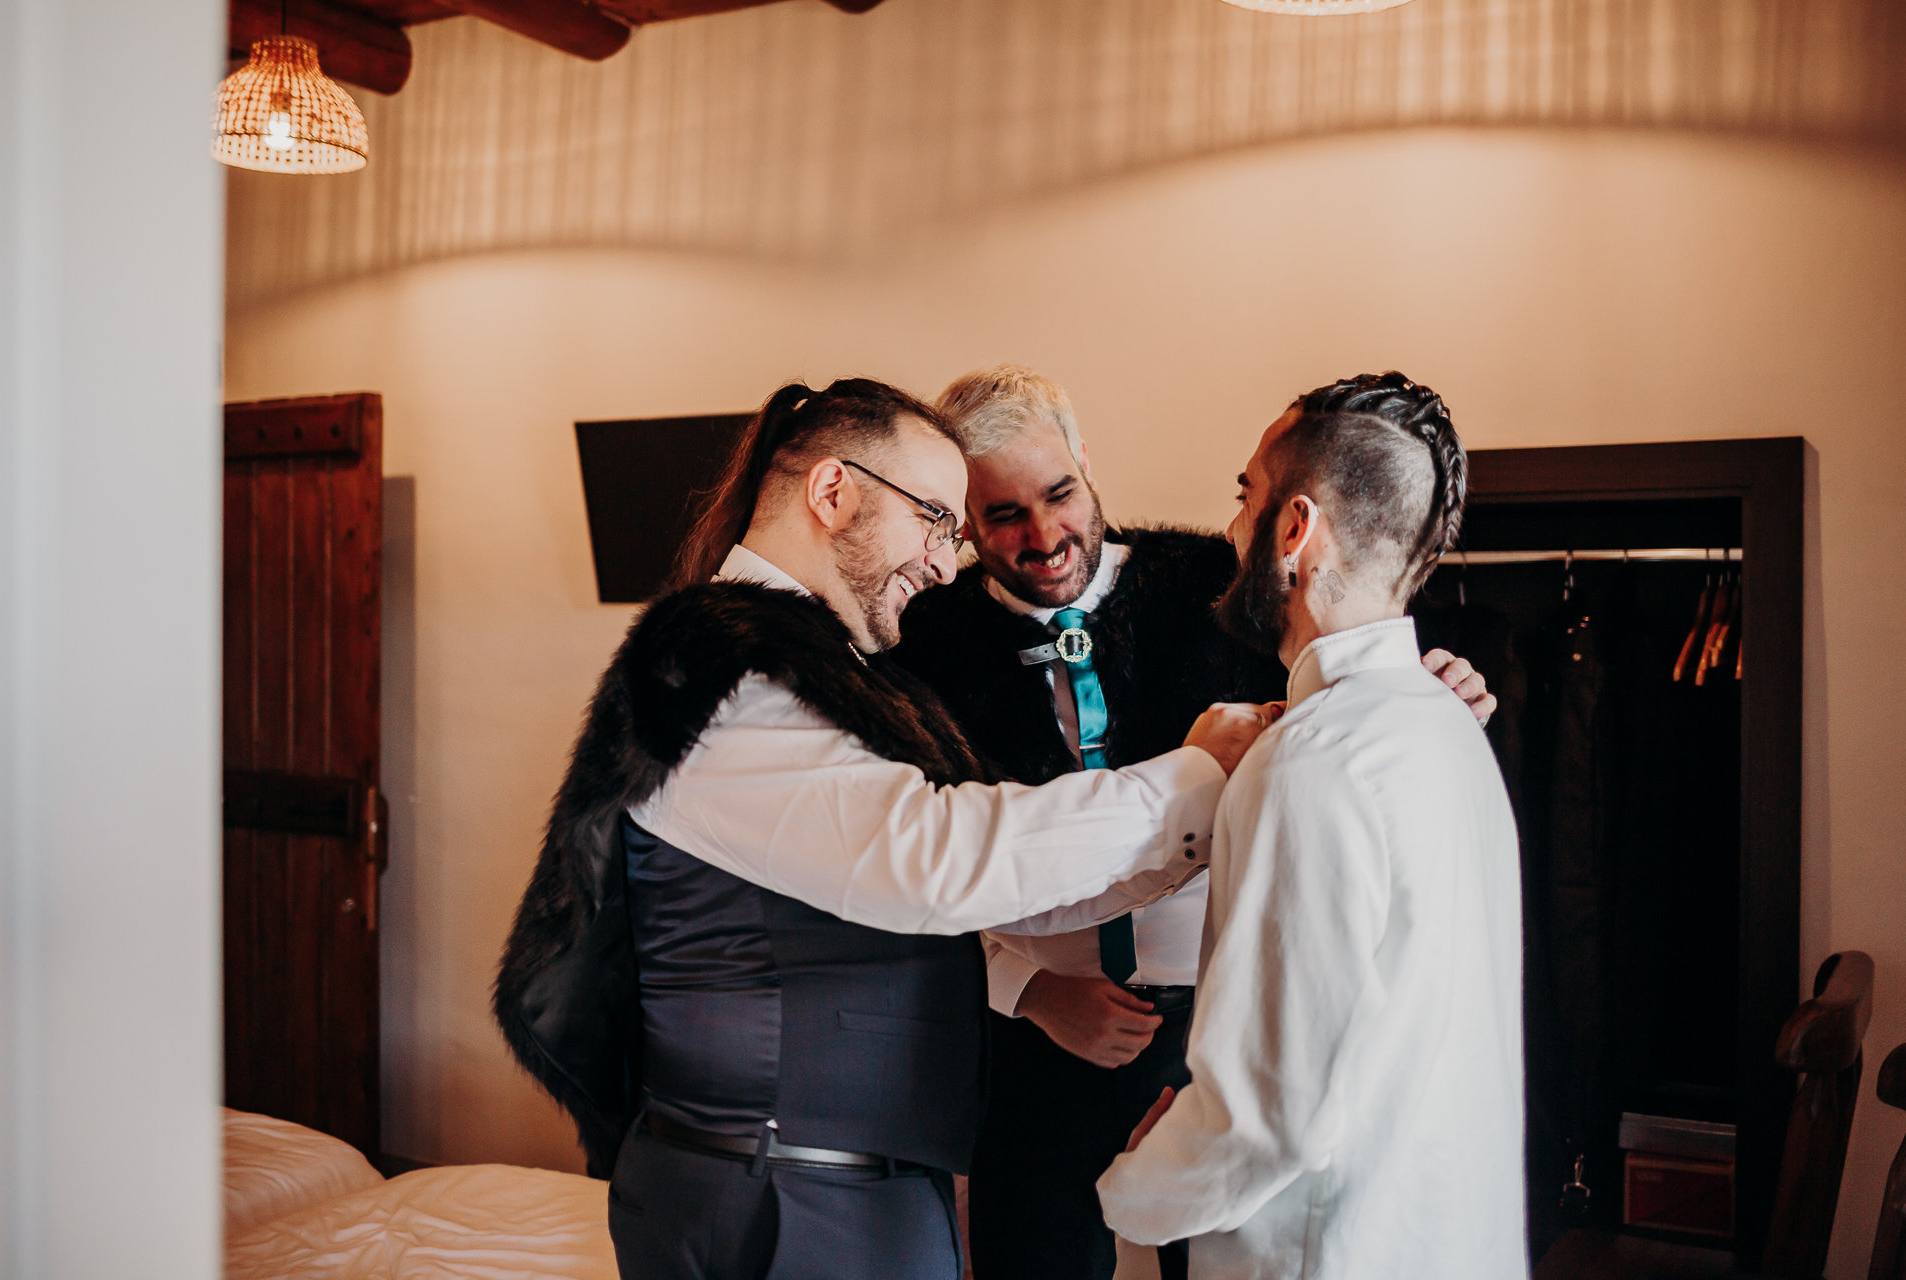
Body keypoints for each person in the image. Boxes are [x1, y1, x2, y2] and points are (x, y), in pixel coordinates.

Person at [493, 377, 1272, 1280]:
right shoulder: (724, 676)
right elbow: (941, 862)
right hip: (782, 1200)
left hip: (845, 1191)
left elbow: (993, 882)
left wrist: (1193, 826)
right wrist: (1193, 771)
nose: (948, 564)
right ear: (834, 493)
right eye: (938, 520)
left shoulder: (820, 676)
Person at [895, 366, 1498, 1280]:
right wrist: (1028, 990)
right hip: (1034, 1046)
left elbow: (1346, 692)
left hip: (1223, 1020)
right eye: (1003, 515)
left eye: (1059, 494)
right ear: (964, 522)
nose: (1045, 534)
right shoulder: (918, 647)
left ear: (1087, 462)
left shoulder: (1234, 589)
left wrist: (1414, 694)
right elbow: (919, 869)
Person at [1096, 373, 1527, 1280]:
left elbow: (1271, 1113)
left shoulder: (1312, 760)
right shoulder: (1447, 728)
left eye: (1244, 496)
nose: (1228, 531)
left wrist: (1129, 1189)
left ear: (1295, 532)